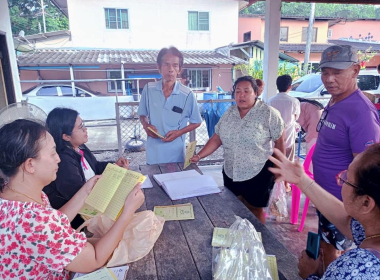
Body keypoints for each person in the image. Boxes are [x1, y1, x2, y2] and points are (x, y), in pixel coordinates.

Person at [0, 119, 144, 279]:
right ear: (30, 165)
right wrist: (127, 211)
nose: (58, 159)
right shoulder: (36, 221)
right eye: (53, 153)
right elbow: (94, 259)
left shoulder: (15, 196)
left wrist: (85, 191)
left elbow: (56, 221)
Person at [268, 145, 380, 279]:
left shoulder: (355, 267)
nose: (340, 180)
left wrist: (310, 275)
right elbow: (345, 220)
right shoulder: (373, 230)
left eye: (347, 179)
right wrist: (301, 180)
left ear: (366, 203)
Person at [312, 45, 380, 267]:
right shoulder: (336, 100)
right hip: (325, 197)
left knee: (333, 257)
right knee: (324, 249)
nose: (329, 79)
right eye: (325, 72)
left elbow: (368, 171)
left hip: (343, 206)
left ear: (356, 71)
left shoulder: (361, 112)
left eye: (337, 72)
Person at [190, 76, 285, 224]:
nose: (241, 95)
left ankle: (257, 241)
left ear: (256, 93)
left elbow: (280, 141)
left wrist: (280, 170)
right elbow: (217, 138)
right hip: (231, 171)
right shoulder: (229, 113)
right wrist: (199, 156)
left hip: (257, 172)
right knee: (234, 207)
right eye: (238, 91)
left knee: (254, 210)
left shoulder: (269, 113)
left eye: (246, 91)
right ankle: (239, 239)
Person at [43, 108, 130, 229]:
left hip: (93, 203)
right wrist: (109, 183)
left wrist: (115, 166)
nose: (85, 129)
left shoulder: (79, 147)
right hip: (79, 219)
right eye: (80, 127)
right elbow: (78, 194)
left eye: (83, 125)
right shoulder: (63, 160)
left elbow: (95, 166)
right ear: (66, 136)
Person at [138, 46, 202, 164]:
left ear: (180, 69)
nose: (170, 69)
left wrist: (179, 132)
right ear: (159, 67)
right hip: (153, 154)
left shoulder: (188, 94)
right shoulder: (148, 89)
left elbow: (197, 121)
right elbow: (142, 114)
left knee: (175, 181)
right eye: (166, 64)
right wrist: (145, 125)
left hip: (176, 155)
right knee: (154, 181)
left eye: (175, 65)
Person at [267, 74, 300, 162]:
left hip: (274, 139)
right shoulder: (294, 101)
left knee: (275, 162)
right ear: (289, 86)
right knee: (288, 162)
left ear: (277, 86)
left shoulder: (270, 101)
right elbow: (296, 117)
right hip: (289, 135)